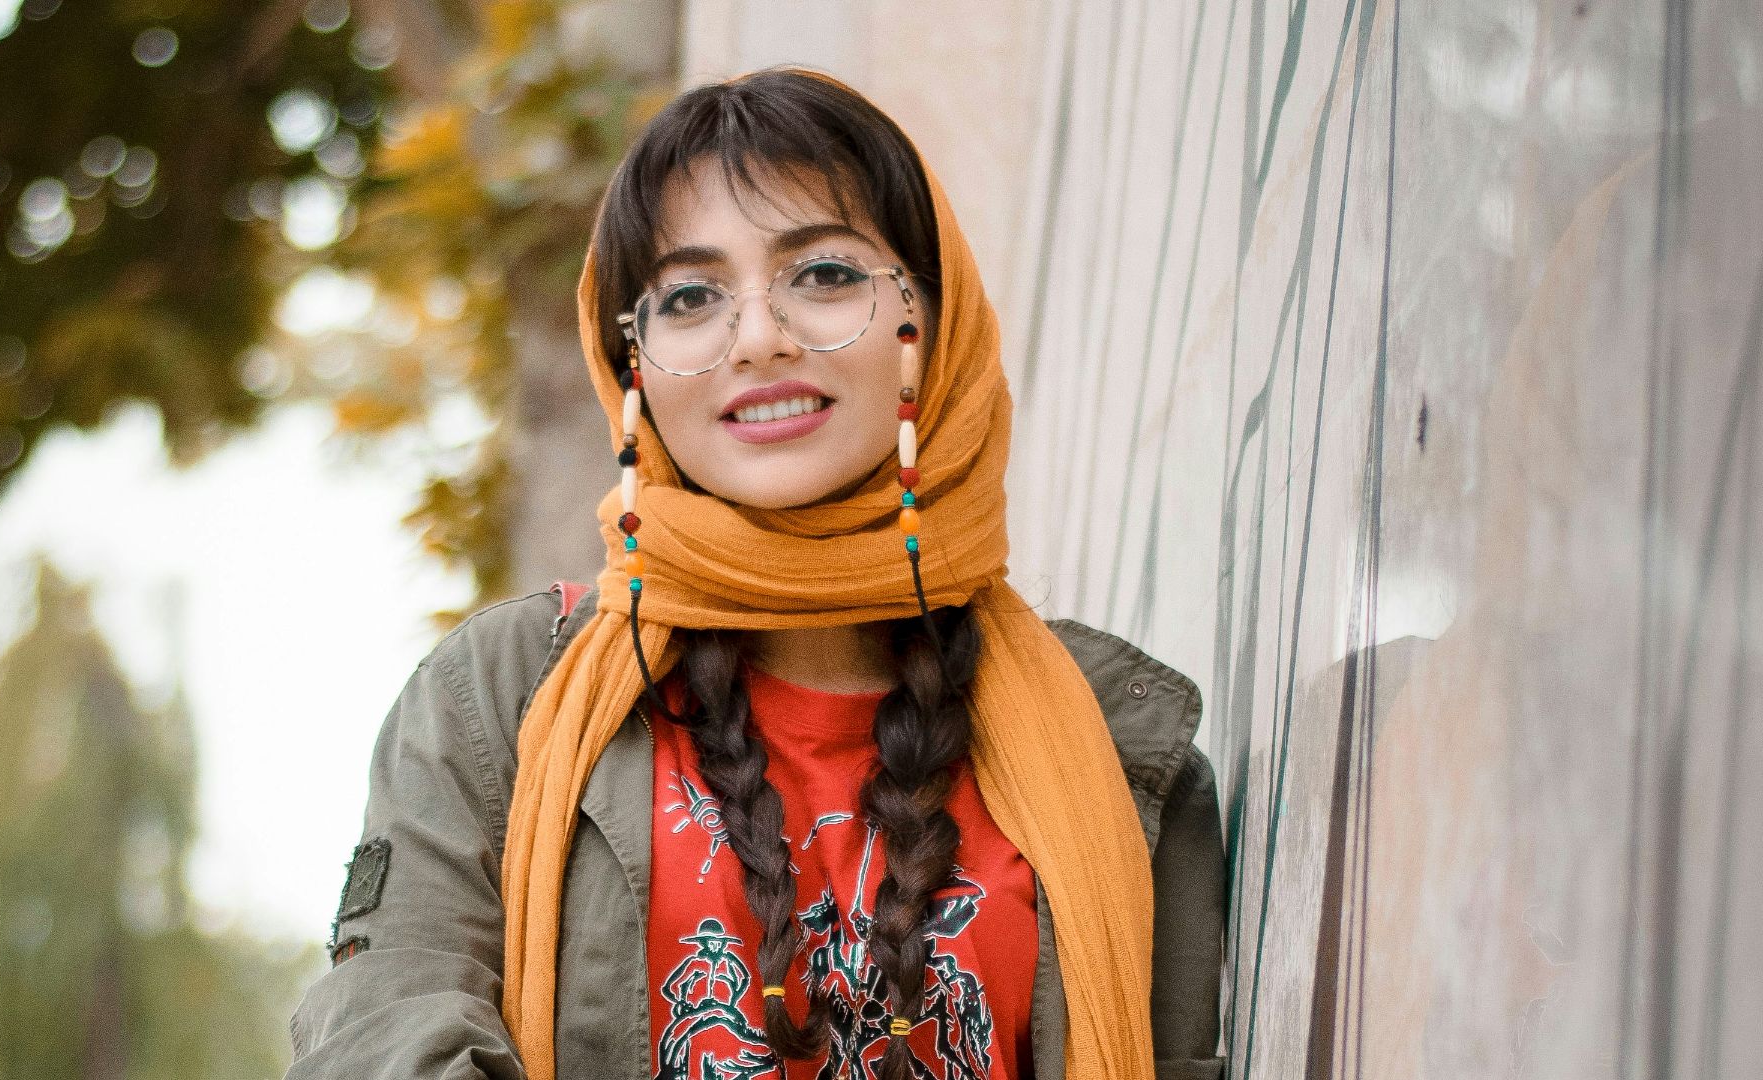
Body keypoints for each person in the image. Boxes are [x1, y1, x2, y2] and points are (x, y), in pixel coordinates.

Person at [286, 66, 1226, 1080]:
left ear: (928, 324)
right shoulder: (500, 702)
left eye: (823, 275)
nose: (761, 339)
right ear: (633, 366)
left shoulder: (1116, 742)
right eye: (691, 297)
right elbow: (383, 1044)